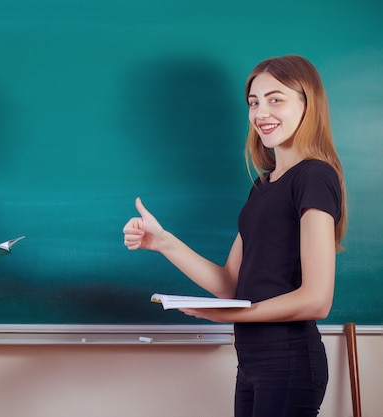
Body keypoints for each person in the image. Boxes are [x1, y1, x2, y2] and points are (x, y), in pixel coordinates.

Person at [123, 55, 346, 417]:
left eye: (276, 99)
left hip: (288, 362)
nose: (261, 113)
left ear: (308, 104)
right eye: (254, 102)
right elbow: (230, 284)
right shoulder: (263, 185)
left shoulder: (314, 177)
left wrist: (231, 318)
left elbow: (317, 299)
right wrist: (162, 241)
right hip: (252, 364)